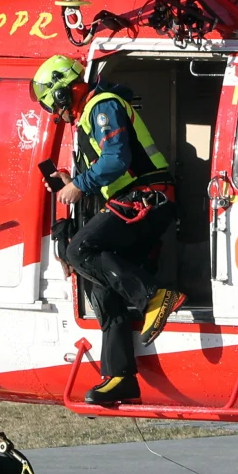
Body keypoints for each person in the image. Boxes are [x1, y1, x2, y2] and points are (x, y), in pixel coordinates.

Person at [32, 55, 184, 406]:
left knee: (79, 250)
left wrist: (79, 185)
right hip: (133, 200)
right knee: (101, 287)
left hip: (149, 197)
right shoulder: (90, 115)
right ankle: (120, 376)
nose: (57, 114)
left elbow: (117, 159)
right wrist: (71, 180)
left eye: (54, 105)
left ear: (63, 94)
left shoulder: (103, 106)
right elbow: (107, 169)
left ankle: (154, 296)